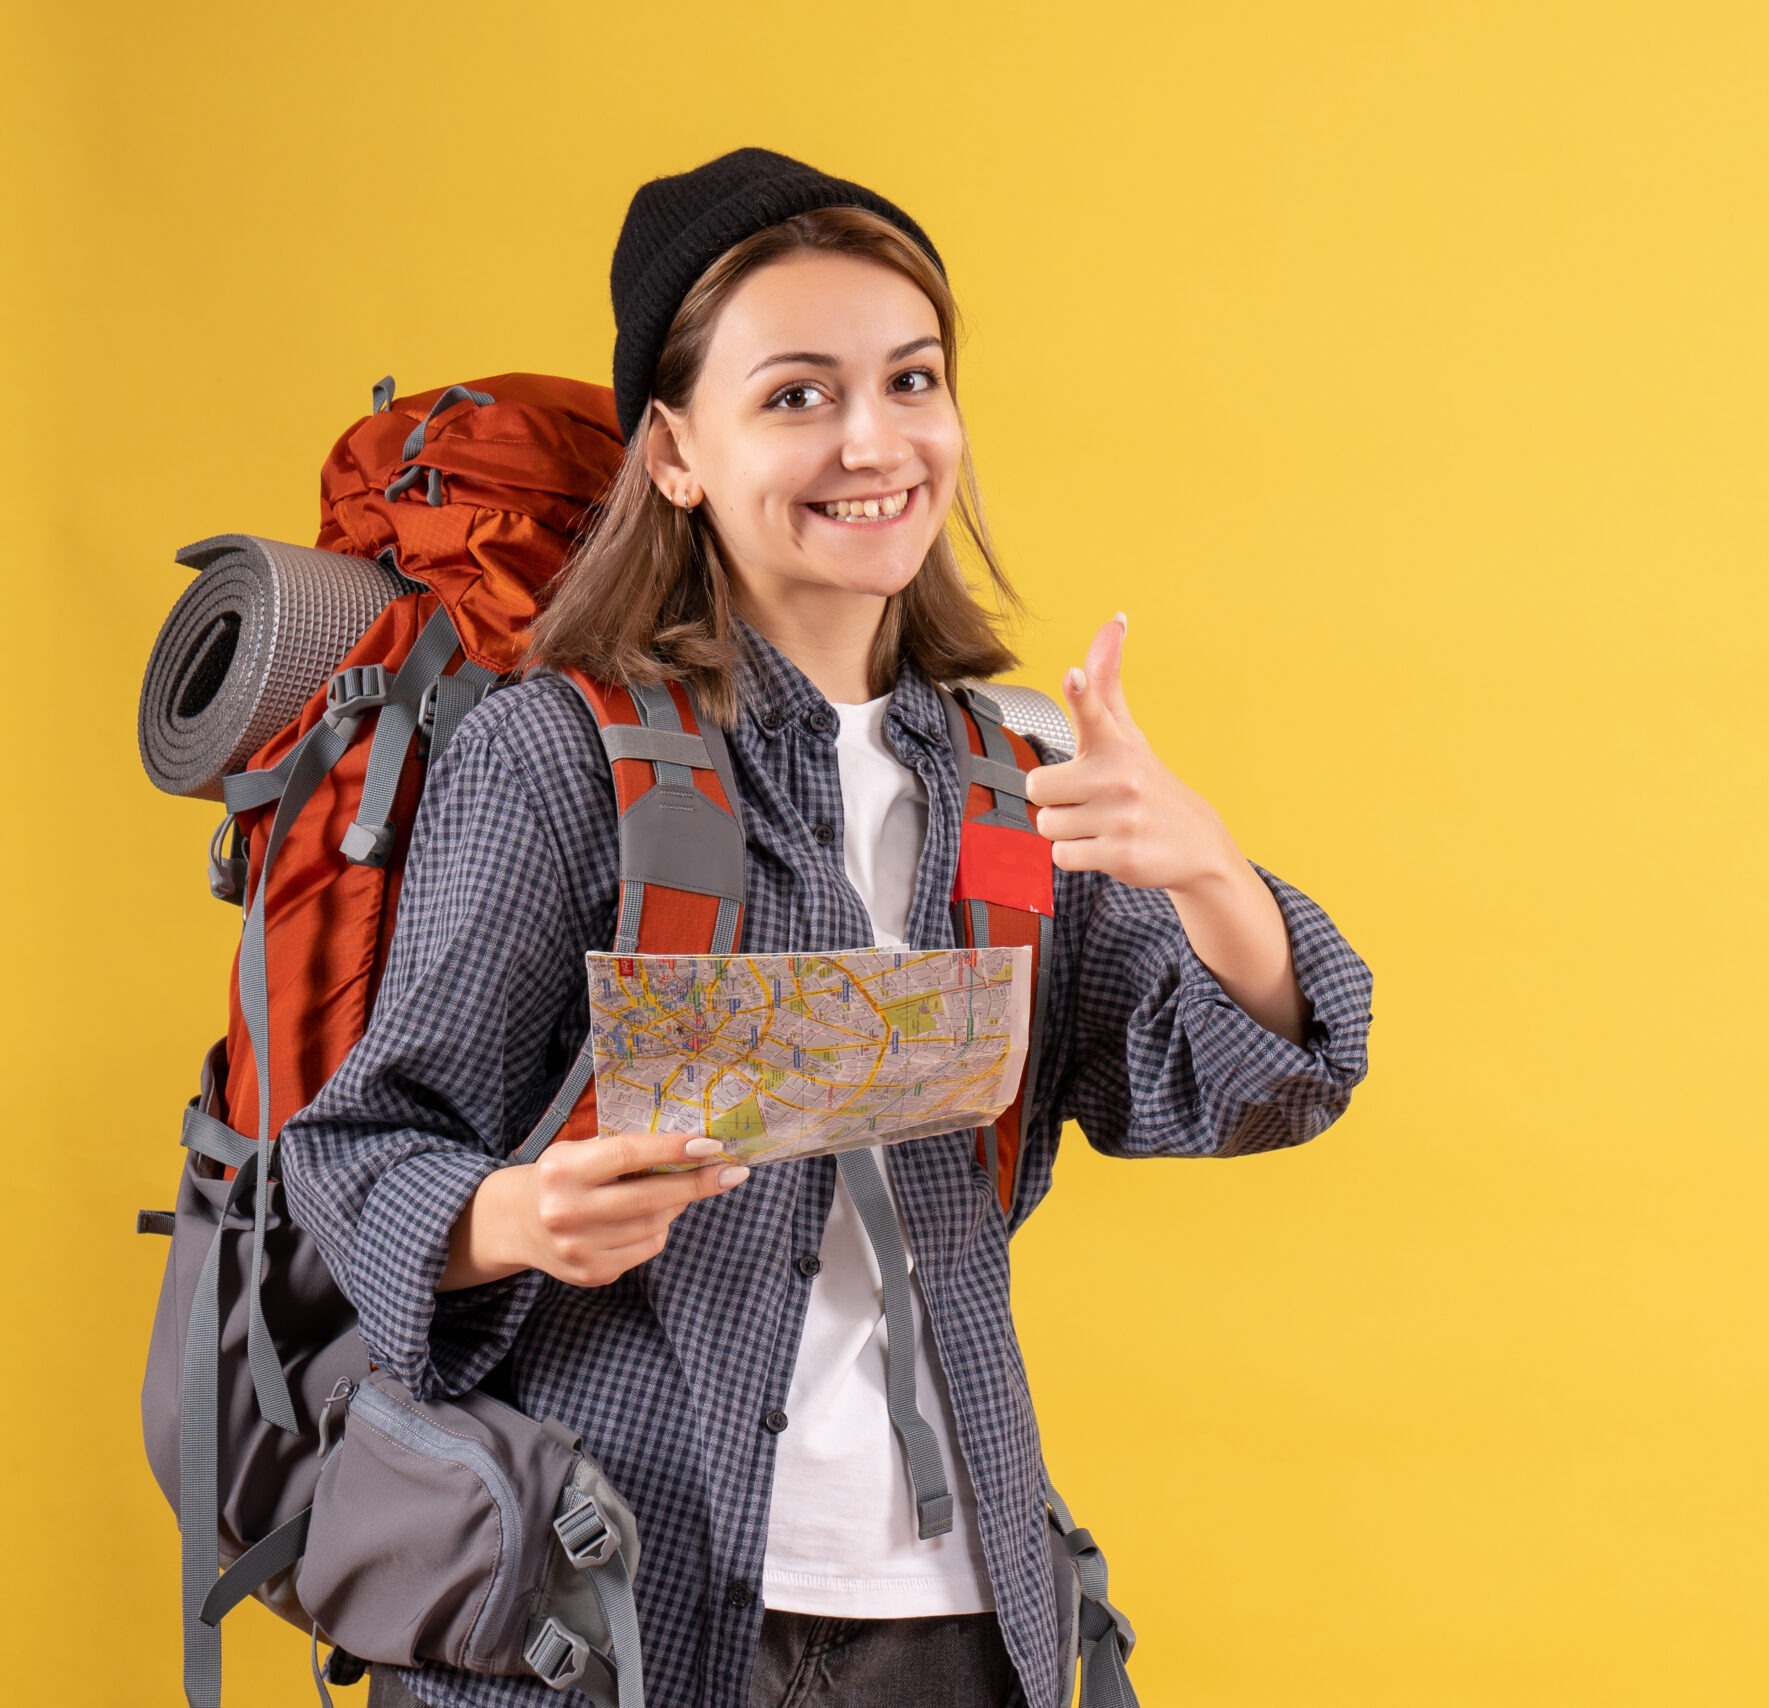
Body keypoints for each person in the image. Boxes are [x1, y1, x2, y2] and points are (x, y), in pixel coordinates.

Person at [282, 147, 1373, 1708]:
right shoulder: (553, 758)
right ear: (673, 450)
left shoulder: (1014, 770)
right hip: (601, 1602)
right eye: (796, 394)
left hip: (958, 1609)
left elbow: (1244, 1087)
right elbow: (359, 1151)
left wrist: (1212, 875)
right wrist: (523, 1218)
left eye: (911, 379)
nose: (875, 440)